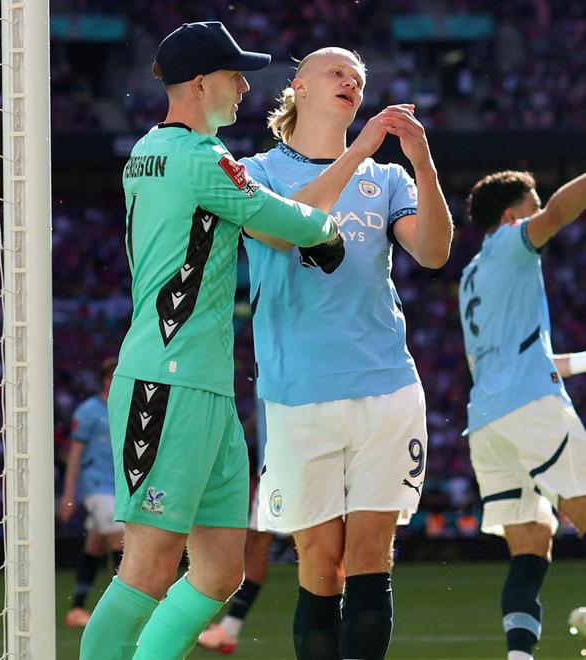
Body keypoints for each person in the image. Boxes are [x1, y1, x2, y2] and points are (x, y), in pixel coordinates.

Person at [79, 22, 348, 660]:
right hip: (167, 382)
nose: (245, 86)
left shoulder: (150, 150)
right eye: (235, 75)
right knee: (148, 567)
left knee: (222, 569)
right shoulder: (201, 157)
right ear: (201, 84)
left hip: (202, 385)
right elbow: (278, 218)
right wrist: (328, 231)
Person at [241, 47, 453, 660]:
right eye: (336, 72)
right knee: (320, 562)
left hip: (386, 384)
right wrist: (358, 151)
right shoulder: (253, 170)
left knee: (368, 556)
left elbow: (433, 252)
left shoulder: (388, 180)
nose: (351, 82)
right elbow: (280, 230)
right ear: (299, 87)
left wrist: (423, 165)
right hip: (296, 391)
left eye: (358, 78)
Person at [458, 170, 586, 660]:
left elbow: (524, 358)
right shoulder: (514, 243)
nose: (540, 215)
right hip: (530, 408)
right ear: (512, 217)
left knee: (531, 542)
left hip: (487, 424)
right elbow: (559, 213)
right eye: (532, 206)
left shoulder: (472, 275)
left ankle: (518, 657)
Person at [197, 398, 275, 654]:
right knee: (257, 542)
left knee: (318, 546)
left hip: (298, 459)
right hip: (273, 465)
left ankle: (344, 620)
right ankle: (230, 628)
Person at [59, 357, 123, 627]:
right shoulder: (88, 411)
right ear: (106, 380)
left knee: (95, 544)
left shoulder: (127, 407)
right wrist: (69, 494)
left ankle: (77, 608)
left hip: (120, 486)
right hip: (97, 486)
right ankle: (126, 609)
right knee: (120, 541)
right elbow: (74, 455)